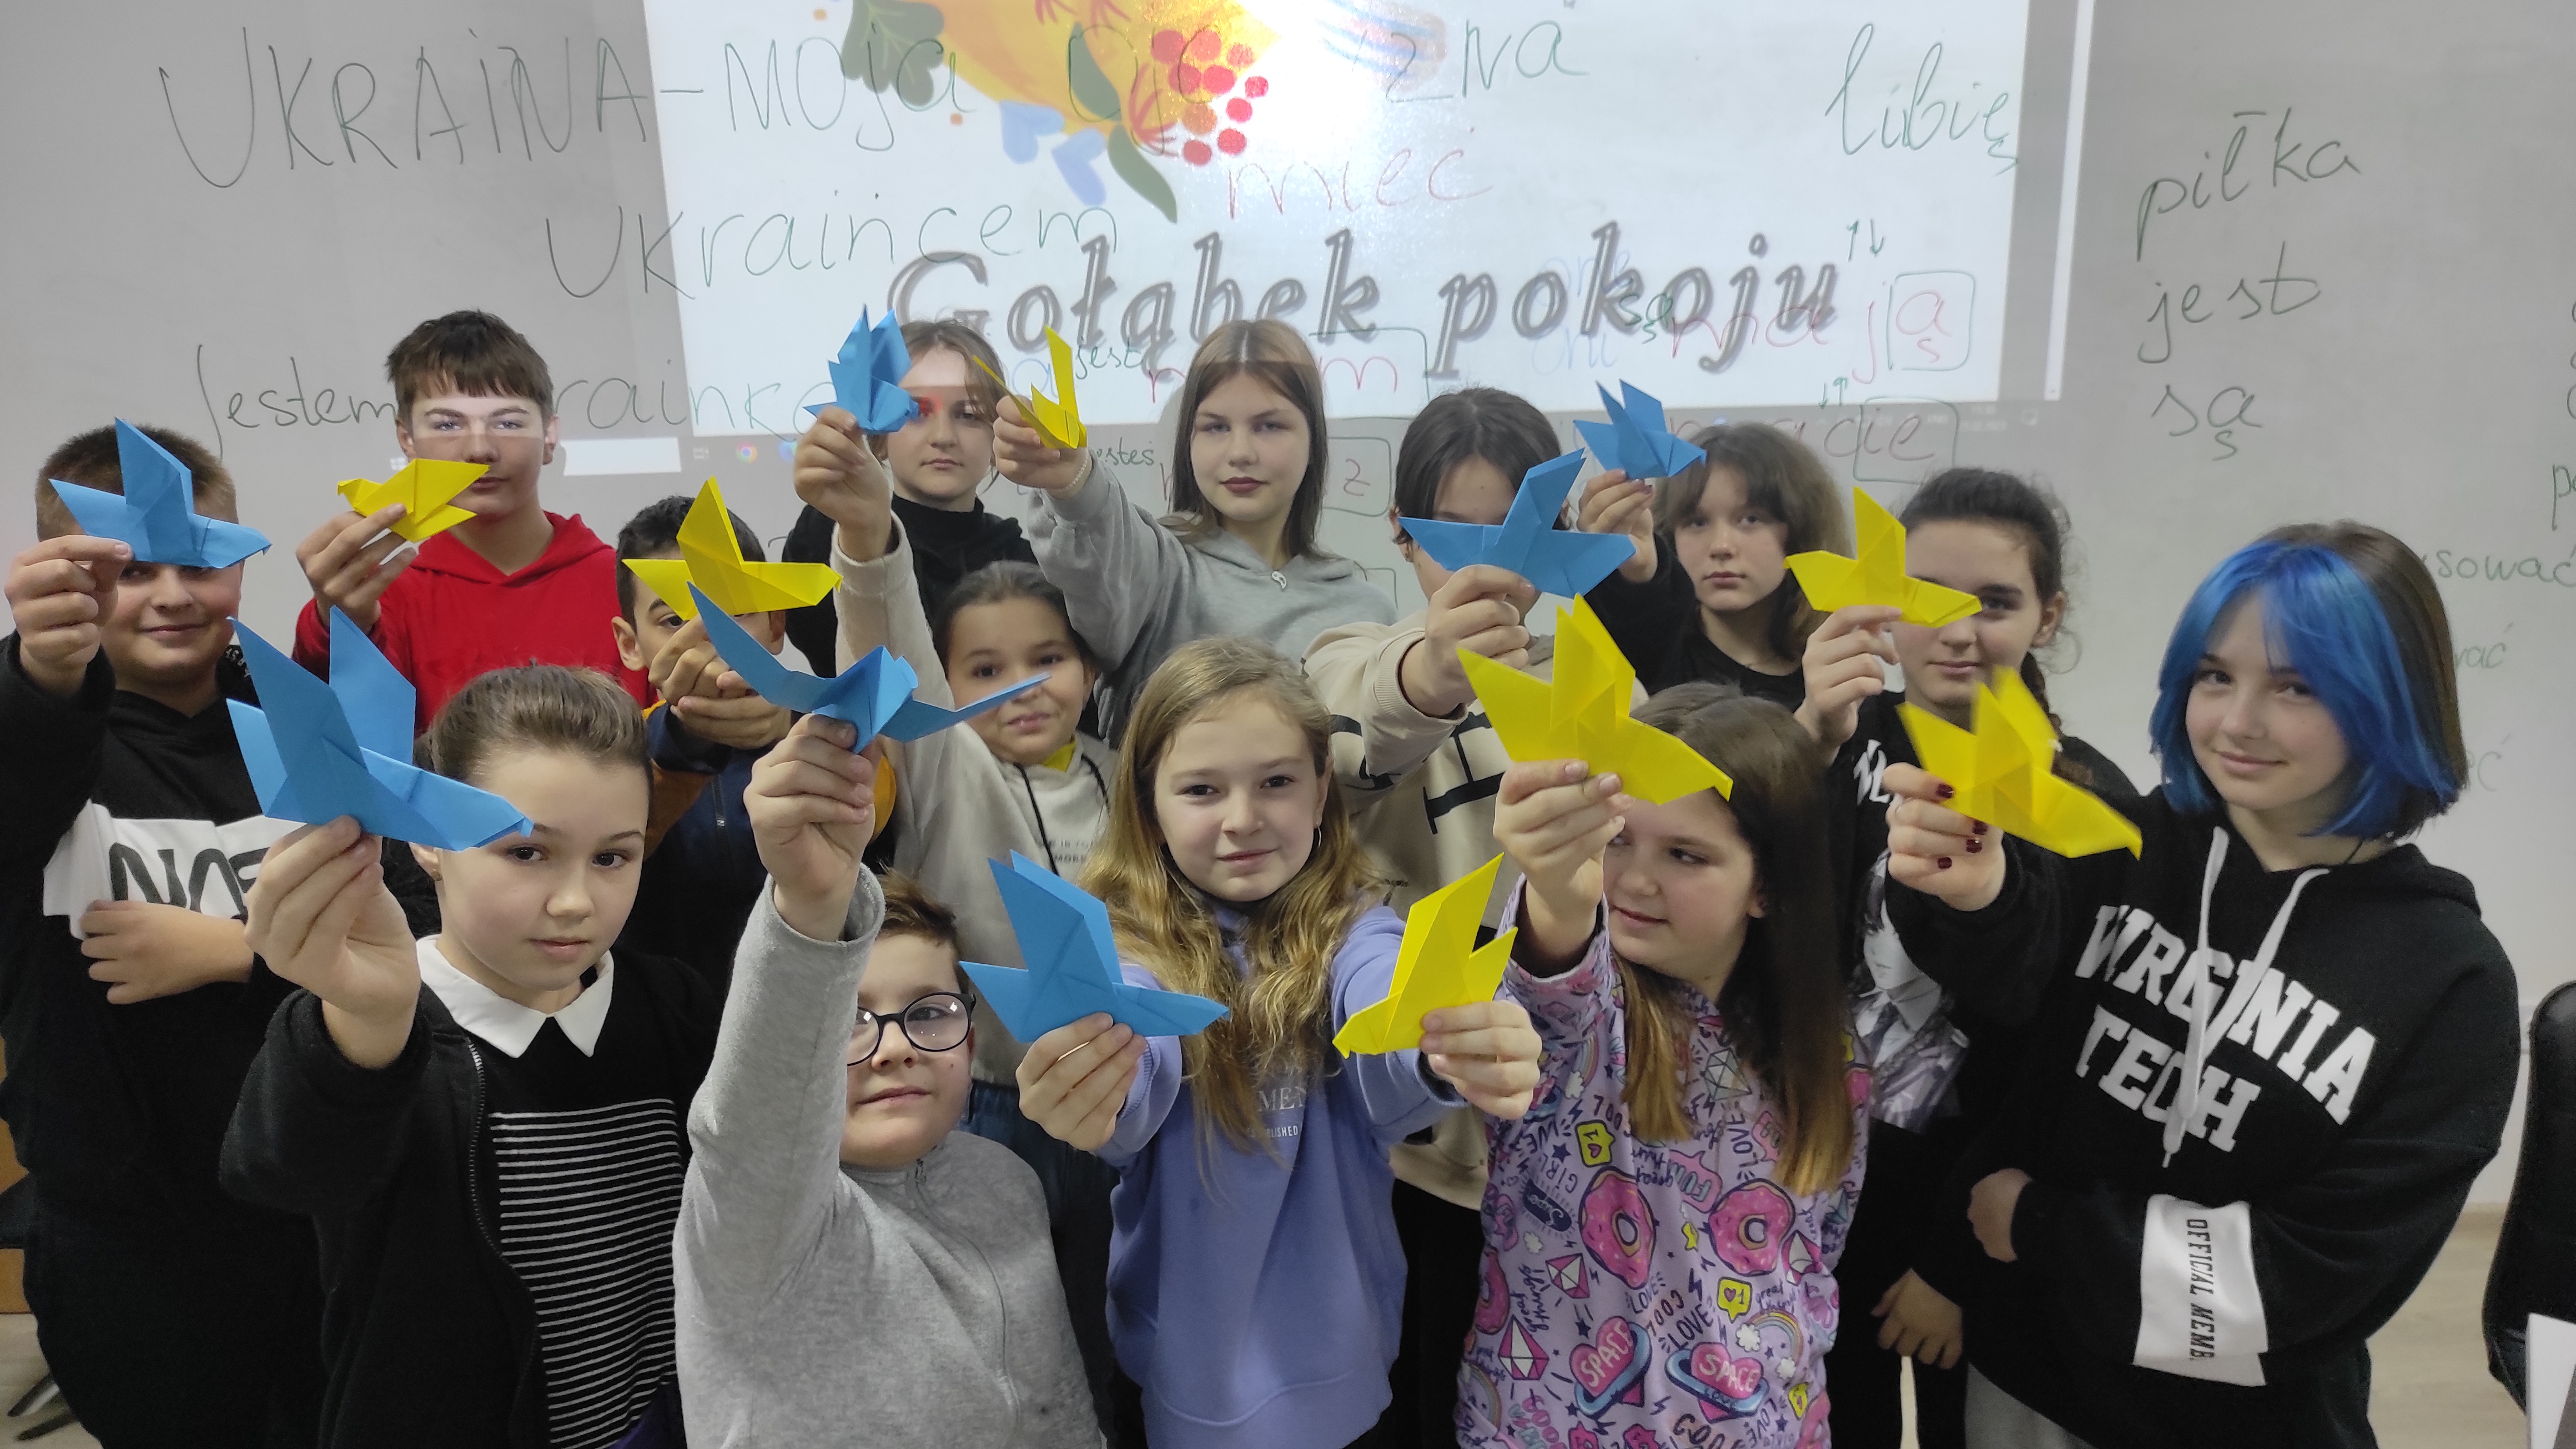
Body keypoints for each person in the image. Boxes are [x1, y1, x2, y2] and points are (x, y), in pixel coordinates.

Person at [1883, 522, 2518, 1448]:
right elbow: (2011, 996)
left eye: (2297, 687)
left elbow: (2318, 1279)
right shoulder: (2124, 845)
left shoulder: (2452, 979)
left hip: (2245, 1422)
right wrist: (1975, 892)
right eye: (2215, 676)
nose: (2237, 722)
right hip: (2024, 1386)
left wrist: (2043, 1226)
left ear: (2392, 701)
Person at [1014, 638, 1544, 1449]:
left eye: (1276, 782)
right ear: (1148, 807)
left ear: (1321, 790)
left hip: (1343, 1362)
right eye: (1201, 789)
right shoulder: (1128, 948)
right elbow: (1135, 1025)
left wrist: (1440, 1037)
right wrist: (1098, 1073)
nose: (1243, 818)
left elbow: (1383, 992)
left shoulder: (1356, 925)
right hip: (1180, 1366)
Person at [223, 666, 718, 1448]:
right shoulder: (383, 1025)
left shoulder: (673, 1008)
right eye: (526, 852)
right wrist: (370, 1020)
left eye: (612, 858)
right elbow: (289, 1174)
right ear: (428, 839)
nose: (574, 902)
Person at [1794, 469, 2135, 1449]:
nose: (1957, 631)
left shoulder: (2088, 804)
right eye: (1928, 598)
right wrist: (1806, 742)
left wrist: (1953, 1264)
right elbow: (1761, 921)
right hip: (1815, 1191)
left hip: (1974, 1212)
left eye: (1994, 602)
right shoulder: (1835, 738)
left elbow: (2063, 1056)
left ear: (2047, 615)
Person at [797, 407, 1123, 1429]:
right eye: (984, 670)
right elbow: (890, 657)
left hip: (1125, 1105)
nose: (1022, 686)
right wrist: (867, 539)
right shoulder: (949, 770)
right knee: (1000, 1351)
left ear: (1090, 668)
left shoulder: (1137, 781)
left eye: (1048, 657)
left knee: (1112, 1343)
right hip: (987, 1112)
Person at [0, 425, 321, 1446]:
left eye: (201, 561)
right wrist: (43, 675)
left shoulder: (302, 725)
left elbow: (405, 922)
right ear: (70, 575)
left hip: (318, 1203)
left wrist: (246, 953)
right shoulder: (35, 736)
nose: (173, 595)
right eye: (132, 571)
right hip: (129, 1239)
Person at [673, 705, 1095, 1445]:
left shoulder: (1007, 1180)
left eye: (929, 1012)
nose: (894, 1048)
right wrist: (810, 904)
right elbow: (752, 1125)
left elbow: (1057, 1401)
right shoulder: (755, 1219)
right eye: (848, 1021)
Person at [1467, 685, 1866, 1447]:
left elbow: (1819, 1247)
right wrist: (1556, 894)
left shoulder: (1829, 1051)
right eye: (1617, 839)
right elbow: (1548, 988)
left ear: (1767, 884)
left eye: (1684, 854)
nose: (1633, 879)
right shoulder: (1584, 1016)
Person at [1301, 385, 1559, 1447]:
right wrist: (1434, 672)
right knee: (1399, 1399)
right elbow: (1351, 743)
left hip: (1551, 1126)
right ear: (1402, 530)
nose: (1487, 568)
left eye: (1515, 534)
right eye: (1455, 534)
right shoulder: (1349, 655)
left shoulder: (1600, 688)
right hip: (1402, 1136)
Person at [995, 319, 1396, 741]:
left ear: (1313, 439)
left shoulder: (1365, 609)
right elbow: (1102, 540)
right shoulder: (1161, 570)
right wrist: (1073, 480)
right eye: (1215, 427)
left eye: (1270, 426)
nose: (1240, 453)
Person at [291, 310, 648, 728]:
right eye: (447, 424)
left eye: (508, 423)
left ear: (550, 436)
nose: (479, 449)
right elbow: (327, 736)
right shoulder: (374, 600)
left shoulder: (630, 587)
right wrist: (332, 628)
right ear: (407, 439)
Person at [608, 493, 800, 994]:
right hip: (659, 1020)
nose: (709, 636)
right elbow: (601, 849)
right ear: (630, 644)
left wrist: (795, 732)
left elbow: (880, 812)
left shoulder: (836, 730)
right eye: (674, 620)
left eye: (733, 611)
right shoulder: (608, 756)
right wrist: (685, 742)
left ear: (776, 623)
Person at [781, 318, 1038, 672]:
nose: (943, 437)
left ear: (999, 437)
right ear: (878, 437)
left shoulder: (1026, 561)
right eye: (915, 412)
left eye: (968, 415)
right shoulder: (833, 534)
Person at [1578, 422, 1848, 707]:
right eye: (1697, 522)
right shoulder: (1651, 654)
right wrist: (1633, 572)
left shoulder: (1839, 672)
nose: (1721, 547)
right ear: (1670, 535)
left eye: (1751, 519)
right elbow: (1640, 609)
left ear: (1801, 531)